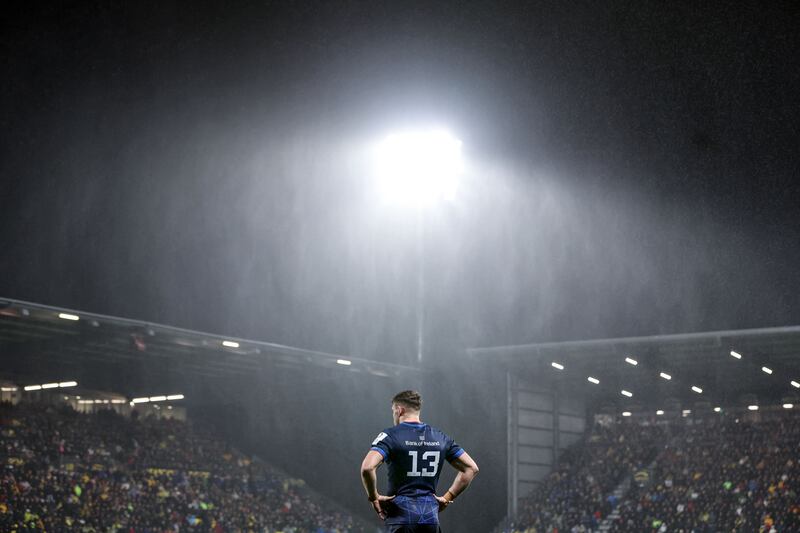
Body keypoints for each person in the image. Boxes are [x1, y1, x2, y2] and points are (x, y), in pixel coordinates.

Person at [360, 390, 479, 532]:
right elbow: (471, 468)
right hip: (430, 518)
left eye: (393, 411)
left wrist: (374, 497)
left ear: (399, 410)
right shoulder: (440, 437)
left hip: (401, 517)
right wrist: (448, 497)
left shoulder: (390, 436)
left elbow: (367, 468)